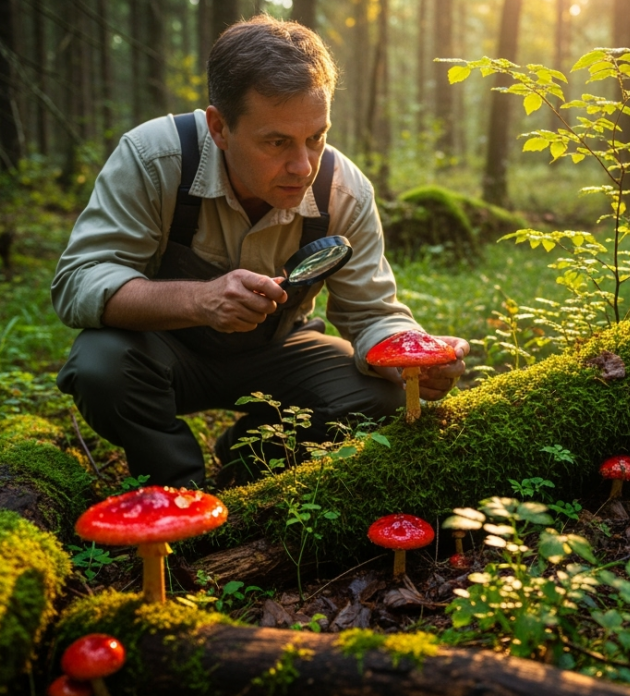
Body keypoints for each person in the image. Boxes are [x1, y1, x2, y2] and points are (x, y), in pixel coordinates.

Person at [51, 15, 468, 489]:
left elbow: (372, 313)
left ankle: (249, 464)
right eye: (277, 142)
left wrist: (413, 359)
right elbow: (78, 281)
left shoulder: (343, 192)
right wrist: (199, 300)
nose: (303, 166)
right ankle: (177, 490)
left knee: (380, 399)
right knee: (99, 365)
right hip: (162, 352)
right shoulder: (157, 159)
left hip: (278, 352)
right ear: (219, 127)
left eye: (316, 137)